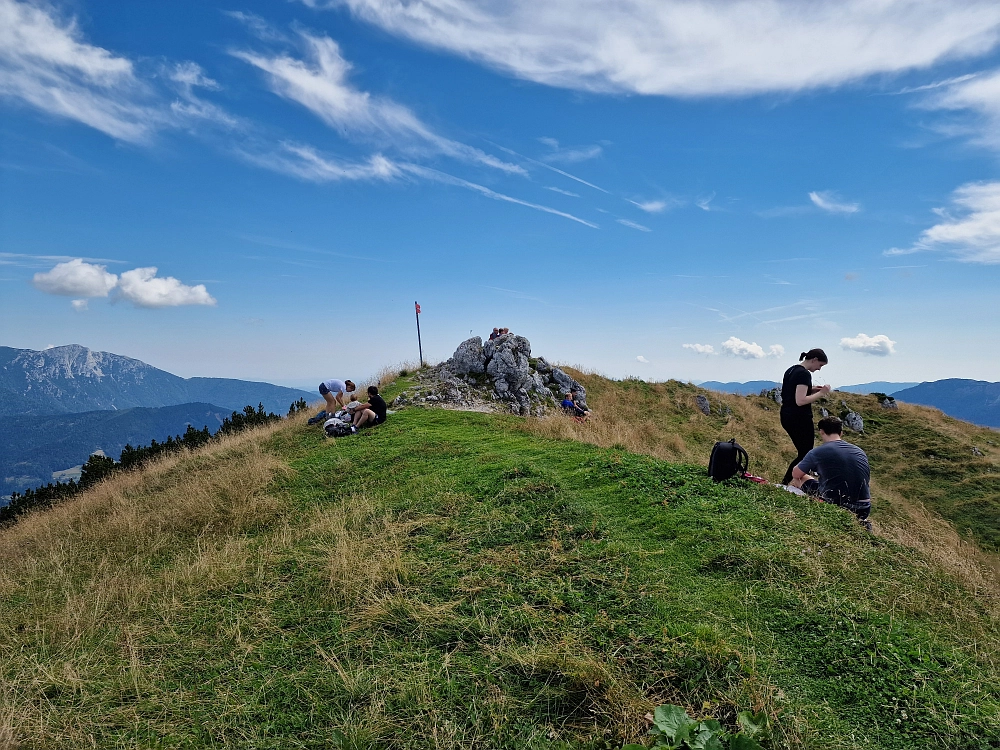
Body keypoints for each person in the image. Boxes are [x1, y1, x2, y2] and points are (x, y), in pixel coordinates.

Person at [791, 415, 872, 530]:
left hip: (837, 504)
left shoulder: (817, 452)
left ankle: (802, 509)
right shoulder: (859, 451)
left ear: (821, 432)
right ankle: (860, 522)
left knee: (799, 479)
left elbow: (796, 474)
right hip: (864, 508)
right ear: (841, 433)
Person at [779, 349, 831, 485]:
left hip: (786, 415)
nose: (819, 369)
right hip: (799, 418)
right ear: (813, 359)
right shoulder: (804, 374)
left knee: (804, 452)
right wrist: (822, 393)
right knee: (806, 454)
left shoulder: (792, 370)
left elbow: (792, 391)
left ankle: (794, 482)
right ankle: (787, 483)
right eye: (820, 365)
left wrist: (812, 389)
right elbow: (800, 401)